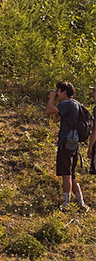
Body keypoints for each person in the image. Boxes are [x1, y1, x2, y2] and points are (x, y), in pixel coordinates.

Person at [46, 82, 88, 211]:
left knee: (66, 174)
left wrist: (51, 98)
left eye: (58, 90)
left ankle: (66, 204)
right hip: (73, 143)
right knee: (72, 174)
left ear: (64, 92)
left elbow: (48, 111)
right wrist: (56, 104)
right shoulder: (75, 104)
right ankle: (81, 204)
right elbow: (55, 119)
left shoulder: (68, 103)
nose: (57, 92)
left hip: (66, 142)